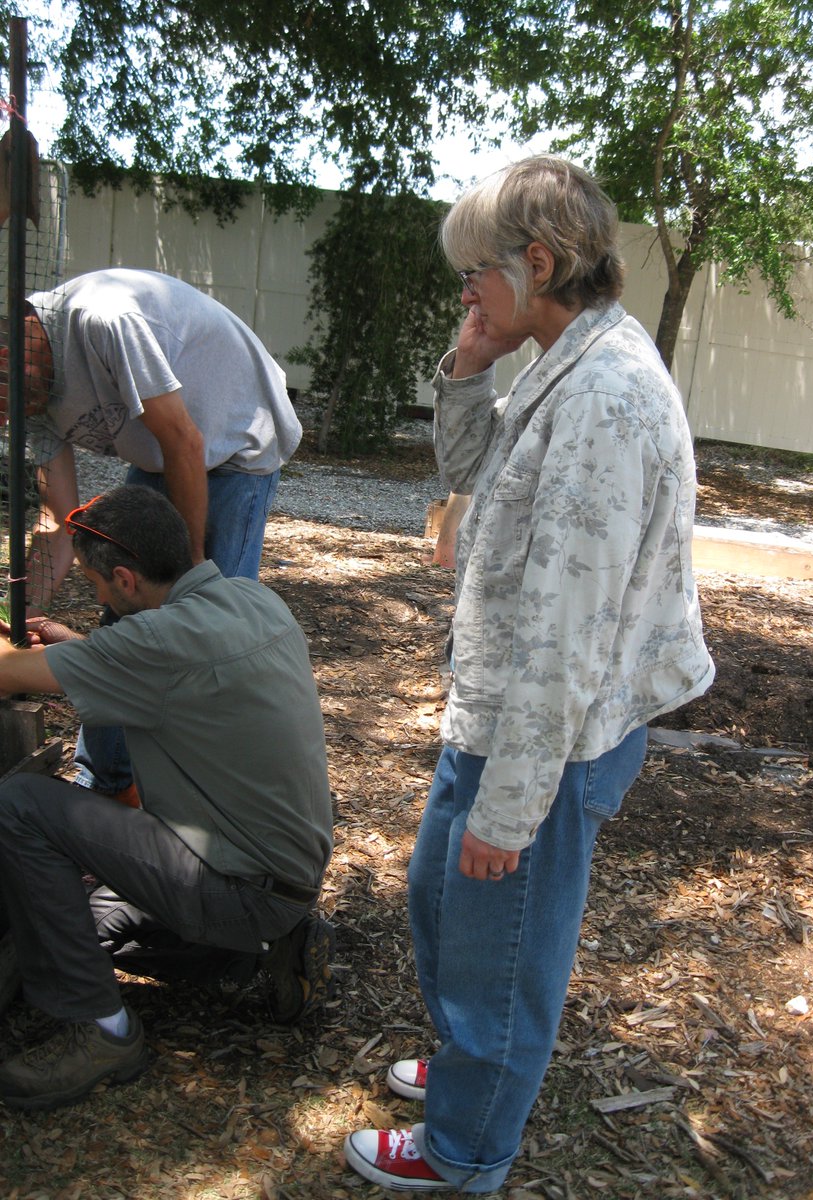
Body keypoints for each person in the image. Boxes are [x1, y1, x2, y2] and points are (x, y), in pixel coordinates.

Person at [343, 155, 715, 1192]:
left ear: (538, 261)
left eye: (475, 274)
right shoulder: (568, 355)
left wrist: (511, 808)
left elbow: (569, 627)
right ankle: (476, 1063)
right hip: (503, 712)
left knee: (498, 952)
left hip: (551, 731)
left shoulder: (606, 397)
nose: (465, 291)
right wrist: (465, 373)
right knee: (441, 902)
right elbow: (476, 476)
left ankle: (466, 1147)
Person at [0, 485, 334, 1112]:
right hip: (283, 874)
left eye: (98, 587)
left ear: (125, 578)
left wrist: (19, 649)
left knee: (20, 803)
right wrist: (75, 647)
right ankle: (254, 957)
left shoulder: (153, 643)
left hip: (238, 882)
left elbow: (7, 673)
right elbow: (157, 666)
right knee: (78, 925)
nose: (97, 599)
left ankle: (104, 1032)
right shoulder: (251, 598)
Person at [6, 267, 303, 796]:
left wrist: (187, 574)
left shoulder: (103, 321)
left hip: (233, 445)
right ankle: (106, 782)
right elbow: (60, 521)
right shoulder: (23, 394)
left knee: (205, 638)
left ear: (13, 349)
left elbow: (186, 442)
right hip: (161, 453)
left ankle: (200, 799)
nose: (8, 411)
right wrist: (18, 614)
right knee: (128, 613)